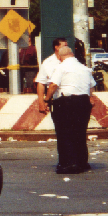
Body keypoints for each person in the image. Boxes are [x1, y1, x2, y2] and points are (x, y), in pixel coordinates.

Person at [42, 46, 95, 174]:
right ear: (72, 54)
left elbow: (54, 85)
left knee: (65, 133)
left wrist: (47, 99)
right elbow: (91, 86)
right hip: (83, 102)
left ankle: (68, 163)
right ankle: (82, 162)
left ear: (60, 57)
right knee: (80, 132)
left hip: (66, 102)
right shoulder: (85, 69)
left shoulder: (61, 67)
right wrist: (89, 98)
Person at [36, 37, 70, 117]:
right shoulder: (48, 63)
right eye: (64, 46)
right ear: (56, 47)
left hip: (72, 98)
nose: (67, 48)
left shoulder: (71, 61)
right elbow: (41, 83)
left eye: (67, 46)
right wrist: (41, 102)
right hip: (57, 100)